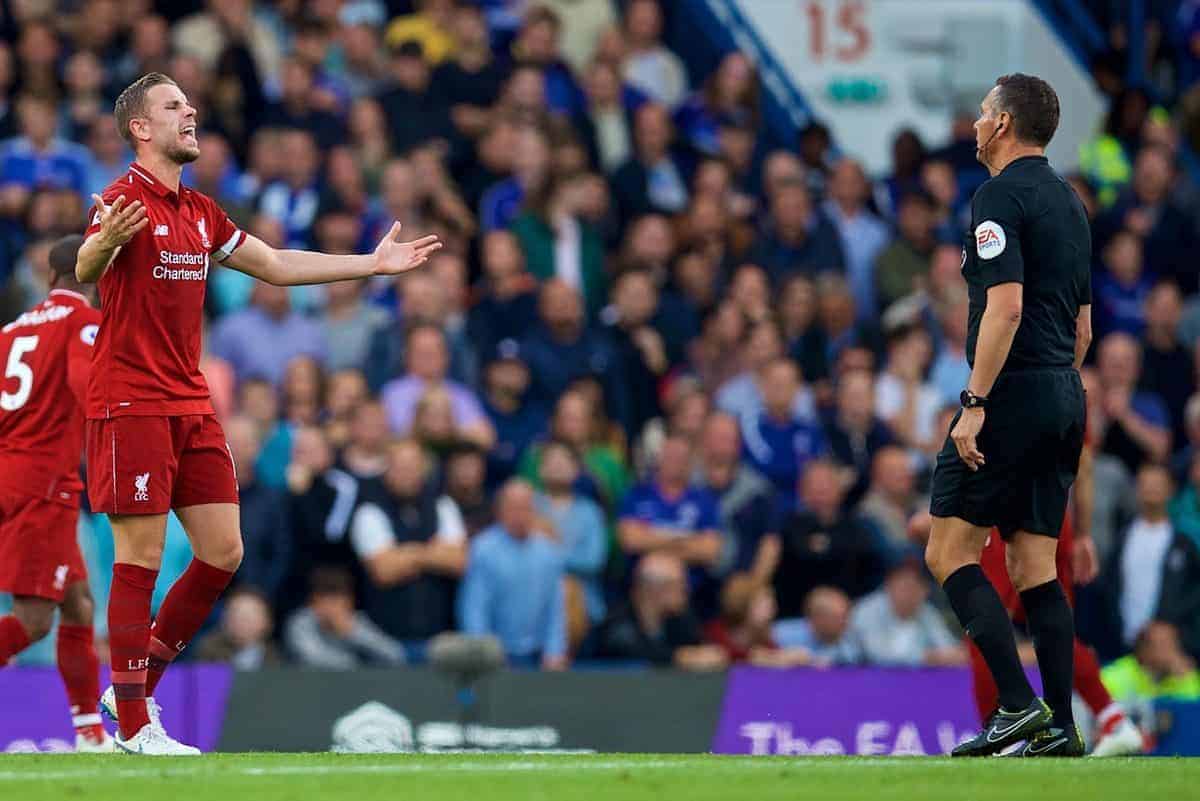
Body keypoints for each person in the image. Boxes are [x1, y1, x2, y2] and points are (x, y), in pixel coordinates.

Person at [79, 72, 440, 755]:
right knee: (142, 557)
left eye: (189, 101)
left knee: (223, 551)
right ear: (140, 128)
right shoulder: (122, 199)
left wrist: (370, 263)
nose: (191, 111)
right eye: (173, 105)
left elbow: (274, 264)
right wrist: (101, 243)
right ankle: (129, 726)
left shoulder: (200, 212)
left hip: (189, 400)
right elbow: (89, 263)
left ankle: (131, 688)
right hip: (131, 402)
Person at [925, 74, 1091, 757]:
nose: (974, 123)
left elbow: (1007, 306)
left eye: (984, 112)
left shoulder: (997, 195)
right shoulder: (1071, 203)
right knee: (1034, 565)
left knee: (947, 551)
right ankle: (1060, 725)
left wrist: (975, 403)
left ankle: (1017, 706)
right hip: (1062, 392)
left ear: (1002, 125)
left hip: (1011, 393)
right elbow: (1082, 328)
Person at [0, 235, 110, 752]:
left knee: (79, 604)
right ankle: (89, 731)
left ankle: (90, 732)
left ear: (50, 276)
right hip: (44, 484)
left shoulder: (10, 331)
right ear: (96, 277)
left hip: (13, 476)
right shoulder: (83, 323)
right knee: (33, 620)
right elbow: (89, 390)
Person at [348, 440, 467, 652]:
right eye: (399, 467)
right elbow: (384, 570)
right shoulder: (370, 509)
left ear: (423, 470)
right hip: (383, 640)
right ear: (387, 469)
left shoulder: (442, 504)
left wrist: (405, 554)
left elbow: (459, 562)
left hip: (439, 638)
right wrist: (431, 553)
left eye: (412, 467)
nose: (406, 474)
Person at [457, 480, 569, 670]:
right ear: (500, 511)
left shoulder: (548, 552)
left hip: (538, 655)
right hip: (496, 655)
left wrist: (555, 651)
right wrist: (484, 653)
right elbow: (474, 610)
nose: (520, 516)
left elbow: (555, 607)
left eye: (525, 508)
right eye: (513, 508)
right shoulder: (483, 549)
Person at [583, 552, 725, 669]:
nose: (685, 591)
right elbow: (632, 655)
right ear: (653, 590)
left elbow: (697, 648)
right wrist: (679, 658)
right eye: (678, 585)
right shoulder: (616, 625)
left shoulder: (679, 619)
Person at [283, 566, 406, 669]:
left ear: (350, 602)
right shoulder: (301, 622)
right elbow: (311, 659)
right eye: (326, 600)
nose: (332, 608)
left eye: (337, 600)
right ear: (313, 602)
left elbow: (395, 655)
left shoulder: (356, 622)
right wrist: (357, 664)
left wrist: (352, 632)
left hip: (353, 689)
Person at [848, 560, 965, 667]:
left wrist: (955, 654)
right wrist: (926, 658)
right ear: (889, 586)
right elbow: (876, 654)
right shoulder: (867, 610)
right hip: (869, 681)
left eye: (916, 587)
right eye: (904, 586)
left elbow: (946, 645)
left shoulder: (926, 611)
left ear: (925, 591)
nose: (910, 594)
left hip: (915, 681)